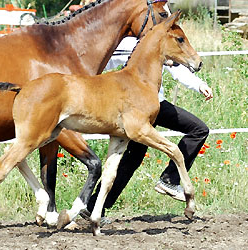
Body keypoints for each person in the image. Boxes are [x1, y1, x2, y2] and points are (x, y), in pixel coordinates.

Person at [85, 36, 213, 218]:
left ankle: (169, 180)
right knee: (131, 159)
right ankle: (93, 206)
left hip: (156, 105)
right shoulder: (127, 44)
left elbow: (177, 69)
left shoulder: (160, 41)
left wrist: (199, 85)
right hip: (136, 109)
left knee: (198, 130)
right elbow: (102, 63)